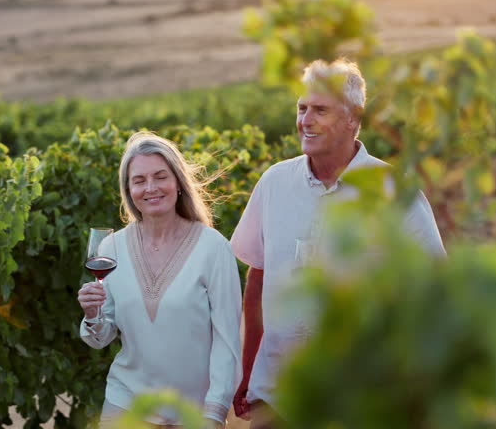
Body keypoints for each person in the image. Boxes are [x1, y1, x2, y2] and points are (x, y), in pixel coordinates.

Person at [230, 58, 447, 428]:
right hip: (278, 393)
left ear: (352, 118)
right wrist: (247, 371)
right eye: (302, 109)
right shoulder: (274, 183)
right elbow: (258, 280)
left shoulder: (393, 191)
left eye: (320, 110)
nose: (305, 121)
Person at [77, 131, 242, 428]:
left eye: (160, 176)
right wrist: (92, 314)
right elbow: (101, 337)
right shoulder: (111, 248)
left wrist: (214, 414)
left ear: (177, 181)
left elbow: (226, 340)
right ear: (129, 190)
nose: (150, 188)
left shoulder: (213, 247)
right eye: (139, 180)